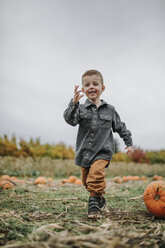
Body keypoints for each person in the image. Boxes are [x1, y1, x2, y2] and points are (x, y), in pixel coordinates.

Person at [63, 69, 133, 218]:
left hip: (103, 151)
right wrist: (74, 104)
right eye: (87, 85)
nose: (91, 87)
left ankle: (94, 205)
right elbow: (70, 120)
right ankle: (99, 197)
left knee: (95, 176)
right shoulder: (80, 109)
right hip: (85, 152)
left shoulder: (110, 110)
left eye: (95, 83)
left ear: (103, 88)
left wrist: (128, 141)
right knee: (87, 181)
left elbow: (120, 126)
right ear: (83, 90)